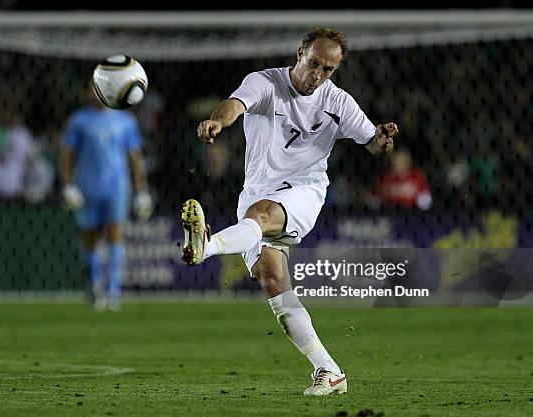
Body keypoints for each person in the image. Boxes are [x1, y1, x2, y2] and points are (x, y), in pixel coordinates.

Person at [181, 26, 398, 396]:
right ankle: (329, 371)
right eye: (315, 63)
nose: (319, 75)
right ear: (300, 53)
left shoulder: (339, 102)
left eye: (328, 69)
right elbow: (236, 105)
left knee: (262, 215)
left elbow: (374, 145)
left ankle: (208, 244)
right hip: (255, 191)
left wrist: (382, 142)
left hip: (305, 191)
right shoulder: (266, 83)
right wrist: (219, 120)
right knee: (271, 279)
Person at [61, 83, 152, 311]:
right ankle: (94, 286)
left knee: (115, 235)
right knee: (91, 238)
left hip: (117, 187)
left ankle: (113, 291)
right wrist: (68, 184)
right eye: (91, 89)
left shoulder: (125, 120)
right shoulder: (79, 120)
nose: (95, 93)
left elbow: (135, 156)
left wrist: (141, 189)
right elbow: (67, 154)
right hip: (88, 185)